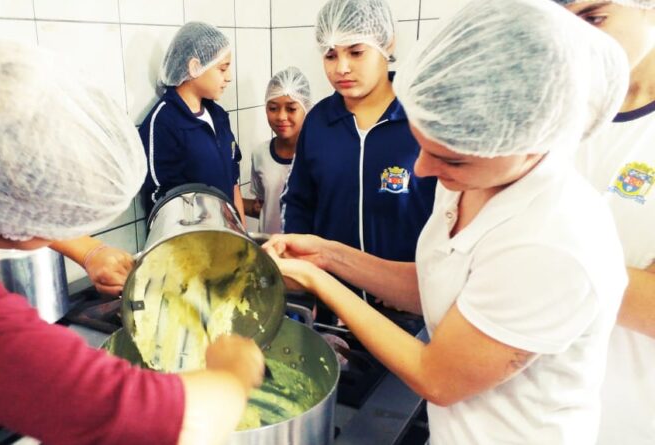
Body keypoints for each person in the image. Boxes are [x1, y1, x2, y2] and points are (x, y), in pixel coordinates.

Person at [0, 39, 264, 445]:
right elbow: (146, 419)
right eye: (45, 222)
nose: (53, 233)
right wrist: (233, 373)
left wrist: (91, 250)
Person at [265, 0, 631, 442]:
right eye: (422, 145)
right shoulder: (469, 179)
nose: (420, 170)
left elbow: (436, 377)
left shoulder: (555, 241)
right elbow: (434, 283)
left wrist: (321, 281)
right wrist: (327, 254)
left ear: (529, 139)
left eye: (448, 158)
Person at [280, 0, 436, 310]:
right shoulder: (319, 122)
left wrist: (414, 286)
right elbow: (298, 201)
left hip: (409, 308)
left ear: (387, 43)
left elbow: (447, 216)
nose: (341, 68)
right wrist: (302, 272)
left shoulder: (422, 119)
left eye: (356, 52)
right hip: (332, 304)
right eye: (330, 54)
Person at [553, 1, 655, 443]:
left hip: (624, 419)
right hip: (531, 412)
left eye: (595, 19)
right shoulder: (557, 120)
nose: (579, 39)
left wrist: (532, 262)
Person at [139, 22, 245, 222]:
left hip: (227, 239)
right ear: (195, 67)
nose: (229, 77)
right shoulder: (163, 123)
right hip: (191, 245)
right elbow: (161, 202)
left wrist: (242, 234)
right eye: (222, 69)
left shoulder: (219, 117)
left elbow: (233, 182)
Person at [244, 67, 312, 234]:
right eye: (273, 108)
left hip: (305, 253)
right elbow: (261, 205)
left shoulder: (316, 156)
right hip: (270, 249)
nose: (281, 116)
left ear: (307, 108)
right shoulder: (260, 154)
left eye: (291, 109)